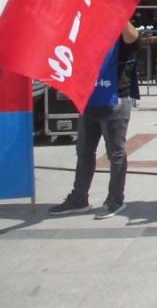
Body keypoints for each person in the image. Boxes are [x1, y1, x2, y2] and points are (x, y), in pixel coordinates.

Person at [49, 22, 139, 219]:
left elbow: (133, 36)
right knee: (84, 151)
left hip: (114, 99)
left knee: (115, 153)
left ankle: (115, 200)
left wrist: (116, 12)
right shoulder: (86, 36)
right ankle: (79, 198)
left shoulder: (120, 33)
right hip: (89, 99)